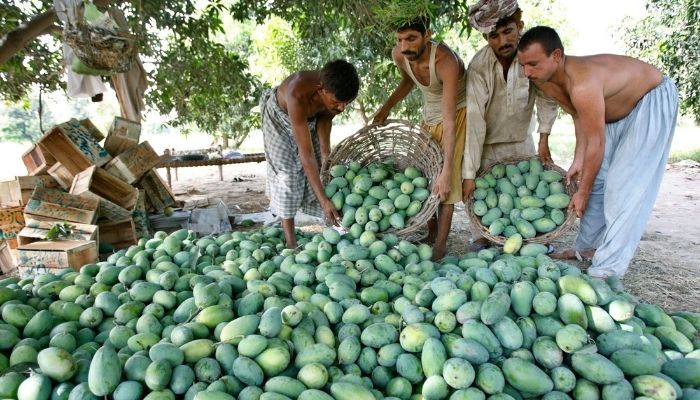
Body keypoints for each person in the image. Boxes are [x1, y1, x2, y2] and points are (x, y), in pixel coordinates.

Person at [517, 26, 678, 278]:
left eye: (533, 64)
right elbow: (579, 117)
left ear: (556, 56)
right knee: (597, 179)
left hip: (649, 100)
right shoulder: (546, 82)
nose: (527, 72)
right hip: (614, 115)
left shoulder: (582, 84)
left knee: (622, 189)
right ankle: (587, 248)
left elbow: (597, 143)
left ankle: (607, 270)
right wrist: (578, 159)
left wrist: (582, 191)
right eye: (523, 65)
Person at [463, 0, 559, 250]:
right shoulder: (478, 68)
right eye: (494, 36)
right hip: (487, 147)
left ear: (520, 26)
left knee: (525, 202)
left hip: (522, 143)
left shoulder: (532, 57)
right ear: (486, 37)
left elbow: (547, 97)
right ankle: (481, 239)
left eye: (508, 32)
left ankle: (530, 243)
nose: (502, 41)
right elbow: (474, 121)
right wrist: (469, 173)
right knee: (487, 205)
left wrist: (544, 136)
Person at [373, 16, 467, 261]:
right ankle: (431, 231)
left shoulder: (446, 61)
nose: (405, 46)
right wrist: (386, 107)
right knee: (425, 175)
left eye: (412, 39)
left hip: (456, 114)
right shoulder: (400, 55)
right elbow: (407, 82)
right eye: (400, 39)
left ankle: (441, 244)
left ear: (427, 35)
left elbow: (448, 117)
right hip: (429, 115)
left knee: (447, 182)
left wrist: (447, 169)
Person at [259, 59, 360, 248]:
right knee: (287, 176)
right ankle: (291, 241)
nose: (342, 108)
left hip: (310, 118)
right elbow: (305, 155)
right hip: (279, 120)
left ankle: (330, 230)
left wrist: (325, 153)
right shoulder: (297, 94)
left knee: (323, 169)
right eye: (337, 102)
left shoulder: (337, 91)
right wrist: (324, 200)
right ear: (320, 90)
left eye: (346, 103)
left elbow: (325, 117)